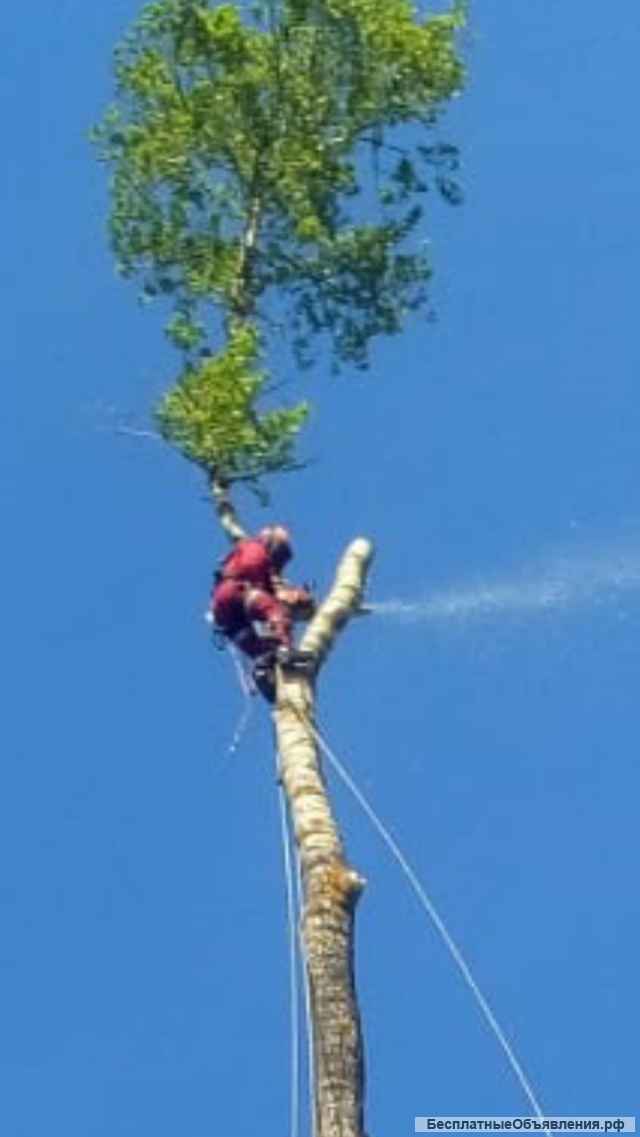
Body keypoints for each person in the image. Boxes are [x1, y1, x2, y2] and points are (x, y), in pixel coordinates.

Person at [210, 525, 316, 698]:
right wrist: (297, 598)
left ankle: (265, 670)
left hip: (225, 613)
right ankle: (284, 652)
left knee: (262, 647)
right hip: (237, 592)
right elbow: (276, 593)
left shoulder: (244, 550)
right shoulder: (258, 553)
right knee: (276, 612)